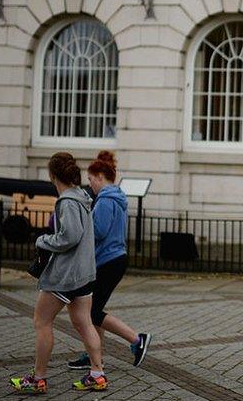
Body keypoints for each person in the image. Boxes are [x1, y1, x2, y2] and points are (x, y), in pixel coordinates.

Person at [10, 152, 109, 394]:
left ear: (53, 175)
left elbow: (70, 236)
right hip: (84, 273)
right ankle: (97, 374)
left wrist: (44, 240)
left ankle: (38, 379)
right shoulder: (83, 196)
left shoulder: (66, 201)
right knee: (84, 323)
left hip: (64, 276)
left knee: (42, 322)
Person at [67, 150, 152, 371]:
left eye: (90, 180)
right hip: (114, 260)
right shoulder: (117, 197)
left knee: (92, 312)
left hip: (107, 261)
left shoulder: (105, 200)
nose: (90, 185)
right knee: (94, 310)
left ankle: (137, 340)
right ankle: (94, 355)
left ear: (99, 177)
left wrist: (80, 226)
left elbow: (99, 231)